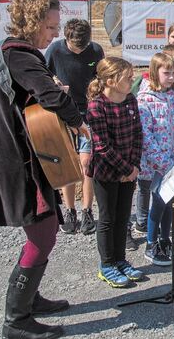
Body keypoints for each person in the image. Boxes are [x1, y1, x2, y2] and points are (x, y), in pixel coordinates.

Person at [0, 0, 89, 339]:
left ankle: (30, 300)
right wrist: (79, 122)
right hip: (21, 161)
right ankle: (15, 322)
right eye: (50, 26)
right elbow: (50, 97)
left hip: (27, 154)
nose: (54, 34)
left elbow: (31, 96)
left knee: (42, 231)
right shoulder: (18, 55)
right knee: (44, 233)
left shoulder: (12, 52)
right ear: (32, 23)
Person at [86, 57, 144, 288]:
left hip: (129, 171)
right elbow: (101, 146)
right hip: (106, 173)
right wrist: (125, 168)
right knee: (108, 218)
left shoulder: (130, 99)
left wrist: (134, 167)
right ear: (110, 80)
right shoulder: (97, 105)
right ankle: (107, 264)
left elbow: (138, 134)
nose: (132, 78)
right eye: (127, 76)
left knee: (123, 217)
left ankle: (121, 260)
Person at [45, 18, 104, 236]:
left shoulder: (96, 50)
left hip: (89, 115)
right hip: (64, 114)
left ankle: (87, 210)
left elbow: (101, 77)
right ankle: (70, 211)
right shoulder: (54, 50)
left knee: (87, 163)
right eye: (75, 47)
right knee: (68, 164)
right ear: (66, 37)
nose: (80, 50)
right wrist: (54, 82)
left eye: (83, 47)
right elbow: (43, 73)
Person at [138, 53, 174, 266]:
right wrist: (162, 161)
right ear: (154, 73)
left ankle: (165, 239)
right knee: (158, 202)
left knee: (170, 202)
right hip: (156, 165)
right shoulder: (145, 99)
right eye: (165, 73)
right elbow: (145, 135)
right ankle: (151, 243)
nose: (171, 77)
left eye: (173, 73)